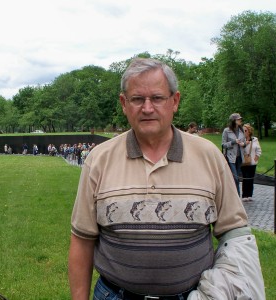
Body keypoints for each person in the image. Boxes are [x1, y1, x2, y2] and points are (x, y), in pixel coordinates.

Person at [68, 58, 265, 300]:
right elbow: (82, 239)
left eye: (157, 98)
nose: (147, 108)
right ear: (124, 103)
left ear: (175, 101)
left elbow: (234, 231)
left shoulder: (209, 156)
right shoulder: (98, 160)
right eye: (137, 99)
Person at [221, 113, 246, 196]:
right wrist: (233, 142)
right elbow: (223, 144)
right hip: (231, 157)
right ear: (233, 121)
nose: (240, 121)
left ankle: (233, 194)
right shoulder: (226, 131)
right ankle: (237, 195)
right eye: (238, 119)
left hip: (239, 157)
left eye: (240, 119)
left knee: (237, 177)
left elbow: (244, 142)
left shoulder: (241, 130)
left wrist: (243, 144)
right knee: (235, 177)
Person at [240, 124, 261, 202]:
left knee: (251, 178)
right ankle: (244, 194)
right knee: (245, 178)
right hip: (244, 162)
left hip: (252, 162)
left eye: (245, 130)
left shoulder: (254, 139)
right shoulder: (241, 140)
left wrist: (255, 159)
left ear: (249, 131)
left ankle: (250, 194)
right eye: (242, 130)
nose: (244, 132)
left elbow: (258, 150)